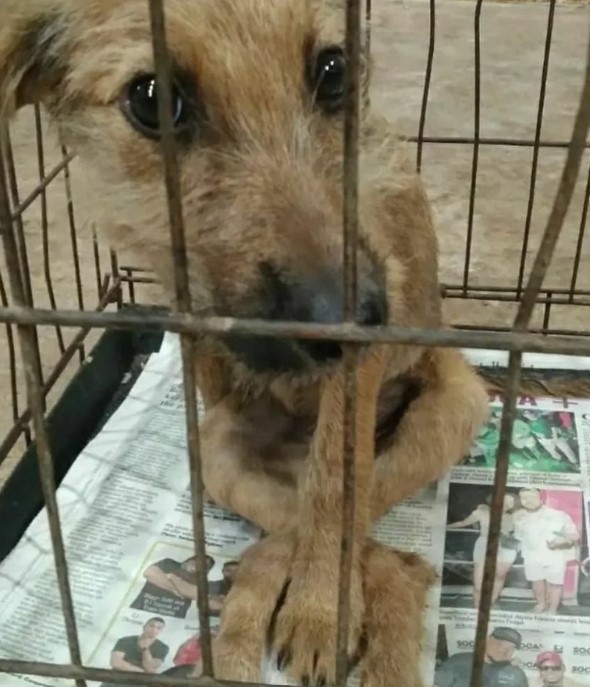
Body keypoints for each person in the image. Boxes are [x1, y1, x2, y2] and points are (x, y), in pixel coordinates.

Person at [513, 488, 580, 613]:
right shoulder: (518, 516)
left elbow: (574, 536)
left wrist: (563, 541)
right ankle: (541, 605)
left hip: (555, 556)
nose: (528, 501)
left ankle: (552, 610)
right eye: (524, 498)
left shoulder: (558, 515)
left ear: (541, 498)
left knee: (555, 583)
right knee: (536, 581)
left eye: (532, 497)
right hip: (531, 555)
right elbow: (518, 536)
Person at [447, 494, 520, 609]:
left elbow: (522, 532)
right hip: (484, 544)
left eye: (510, 503)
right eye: (504, 500)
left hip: (506, 547)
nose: (506, 505)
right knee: (478, 583)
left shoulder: (513, 517)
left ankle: (489, 604)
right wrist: (443, 527)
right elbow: (463, 523)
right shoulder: (481, 512)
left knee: (500, 577)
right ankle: (477, 607)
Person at [434, 627, 528, 687]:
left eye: (511, 648)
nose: (504, 650)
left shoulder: (517, 674)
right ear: (487, 640)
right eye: (499, 644)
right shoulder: (458, 662)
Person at [131, 555, 215, 618]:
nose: (201, 566)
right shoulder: (169, 563)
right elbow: (149, 573)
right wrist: (175, 590)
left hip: (172, 617)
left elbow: (196, 594)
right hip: (142, 608)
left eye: (207, 567)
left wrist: (172, 578)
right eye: (199, 562)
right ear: (189, 560)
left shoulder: (201, 581)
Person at [100, 617, 169, 687]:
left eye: (158, 628)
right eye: (151, 626)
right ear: (144, 626)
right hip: (114, 681)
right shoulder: (125, 641)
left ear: (161, 631)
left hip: (137, 684)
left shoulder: (162, 647)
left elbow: (150, 668)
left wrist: (145, 649)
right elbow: (116, 663)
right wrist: (141, 672)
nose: (154, 630)